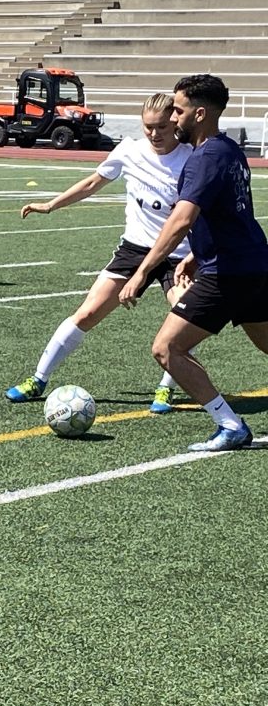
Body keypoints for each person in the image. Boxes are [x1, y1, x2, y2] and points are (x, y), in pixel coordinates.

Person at [5, 93, 194, 413]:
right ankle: (38, 378)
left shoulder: (193, 158)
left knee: (184, 317)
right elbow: (93, 182)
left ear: (174, 121)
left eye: (161, 126)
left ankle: (166, 388)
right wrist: (51, 205)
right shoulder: (129, 151)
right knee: (87, 313)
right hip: (134, 249)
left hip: (178, 253)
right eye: (148, 127)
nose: (154, 133)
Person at [119, 74, 268, 451]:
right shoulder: (229, 149)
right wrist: (195, 258)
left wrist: (141, 272)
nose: (172, 117)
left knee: (167, 349)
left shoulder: (205, 158)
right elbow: (230, 214)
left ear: (199, 114)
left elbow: (181, 219)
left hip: (228, 274)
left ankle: (229, 424)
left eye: (178, 109)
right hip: (252, 264)